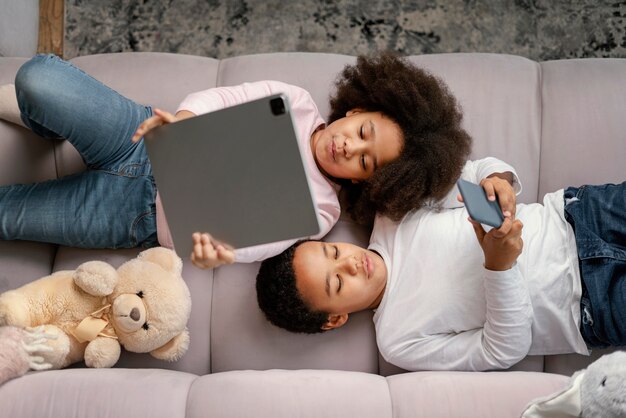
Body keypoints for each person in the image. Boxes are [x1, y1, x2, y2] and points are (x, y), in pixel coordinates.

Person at [0, 52, 471, 269]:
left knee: (8, 216)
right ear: (357, 109)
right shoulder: (296, 102)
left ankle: (47, 125)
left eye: (366, 163)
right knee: (38, 79)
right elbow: (225, 96)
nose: (350, 147)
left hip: (135, 218)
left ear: (368, 184)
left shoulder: (323, 211)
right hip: (140, 138)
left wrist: (211, 253)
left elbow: (249, 247)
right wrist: (183, 120)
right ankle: (44, 123)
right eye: (363, 132)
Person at [256, 168, 626, 372]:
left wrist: (497, 179)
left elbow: (472, 173)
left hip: (579, 215)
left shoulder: (392, 213)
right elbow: (500, 352)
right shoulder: (397, 340)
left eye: (332, 250)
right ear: (334, 318)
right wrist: (499, 268)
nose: (351, 262)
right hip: (591, 306)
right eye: (337, 281)